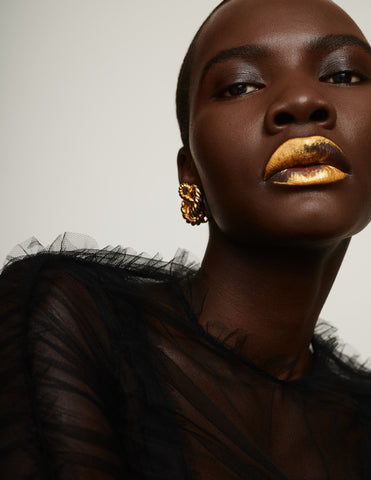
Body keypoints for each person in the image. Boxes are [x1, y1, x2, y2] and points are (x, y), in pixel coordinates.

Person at [1, 0, 371, 478]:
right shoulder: (71, 322)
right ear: (190, 173)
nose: (302, 103)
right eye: (240, 85)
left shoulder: (360, 423)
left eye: (343, 76)